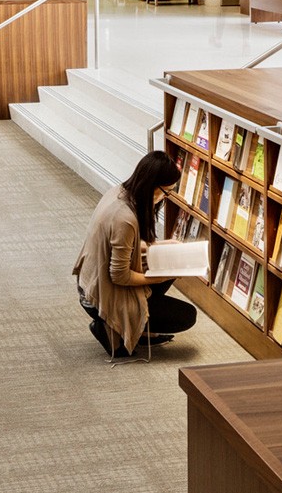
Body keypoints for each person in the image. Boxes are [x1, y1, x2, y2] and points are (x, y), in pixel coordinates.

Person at [74, 150, 199, 358]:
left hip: (91, 285)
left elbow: (123, 245)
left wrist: (161, 246)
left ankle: (133, 326)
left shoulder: (119, 192)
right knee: (187, 315)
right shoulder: (125, 219)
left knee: (170, 260)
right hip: (99, 299)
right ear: (152, 184)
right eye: (166, 192)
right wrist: (160, 276)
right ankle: (112, 327)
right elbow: (120, 276)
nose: (165, 198)